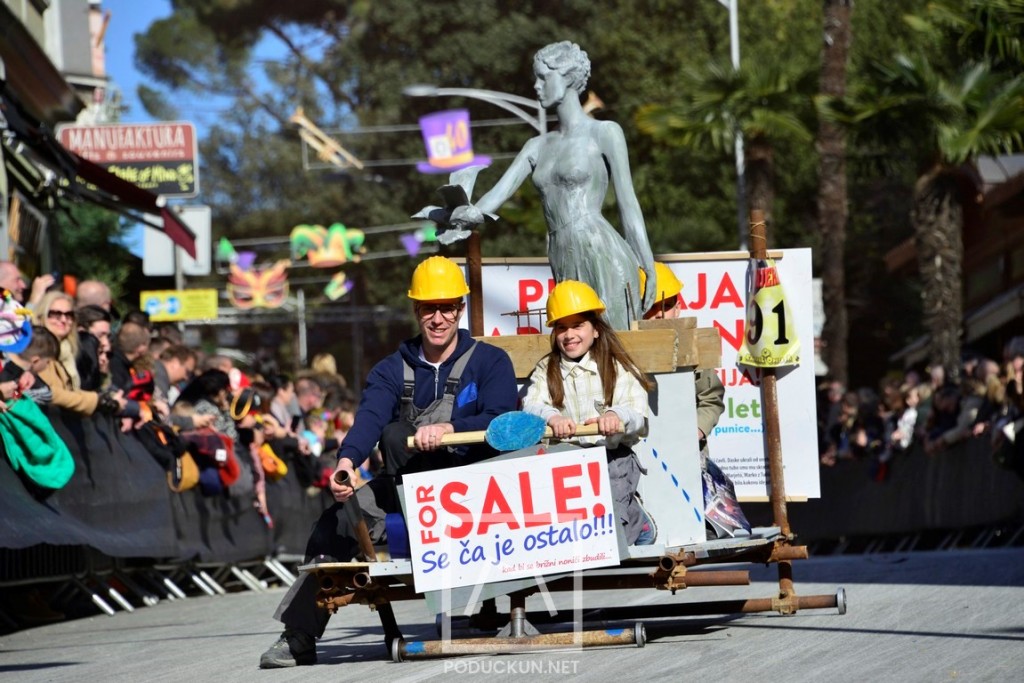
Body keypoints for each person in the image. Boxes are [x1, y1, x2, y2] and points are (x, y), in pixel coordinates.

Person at [259, 255, 518, 669]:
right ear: (416, 310)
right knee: (337, 521)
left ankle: (489, 602)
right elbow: (368, 420)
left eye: (447, 307)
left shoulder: (490, 362)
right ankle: (299, 637)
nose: (438, 318)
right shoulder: (390, 369)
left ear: (460, 309)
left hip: (474, 492)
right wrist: (346, 463)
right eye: (429, 308)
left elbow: (504, 419)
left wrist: (453, 428)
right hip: (407, 488)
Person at [442, 41, 656, 330]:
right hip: (561, 253)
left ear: (567, 78)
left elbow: (628, 204)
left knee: (613, 346)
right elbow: (495, 197)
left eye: (544, 77)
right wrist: (464, 216)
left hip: (601, 251)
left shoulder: (605, 132)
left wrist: (647, 263)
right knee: (574, 345)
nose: (536, 85)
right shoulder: (536, 146)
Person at [523, 279, 656, 545]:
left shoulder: (617, 366)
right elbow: (531, 405)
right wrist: (552, 417)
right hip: (564, 461)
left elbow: (636, 413)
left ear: (596, 329)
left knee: (611, 532)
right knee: (567, 528)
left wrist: (616, 417)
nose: (569, 334)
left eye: (577, 325)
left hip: (611, 458)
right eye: (561, 327)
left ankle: (637, 523)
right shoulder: (546, 369)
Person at [640, 263, 751, 538]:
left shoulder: (693, 347)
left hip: (688, 451)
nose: (658, 315)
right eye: (651, 308)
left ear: (678, 307)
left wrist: (698, 429)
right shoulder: (628, 347)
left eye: (665, 306)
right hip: (643, 449)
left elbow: (711, 397)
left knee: (695, 526)